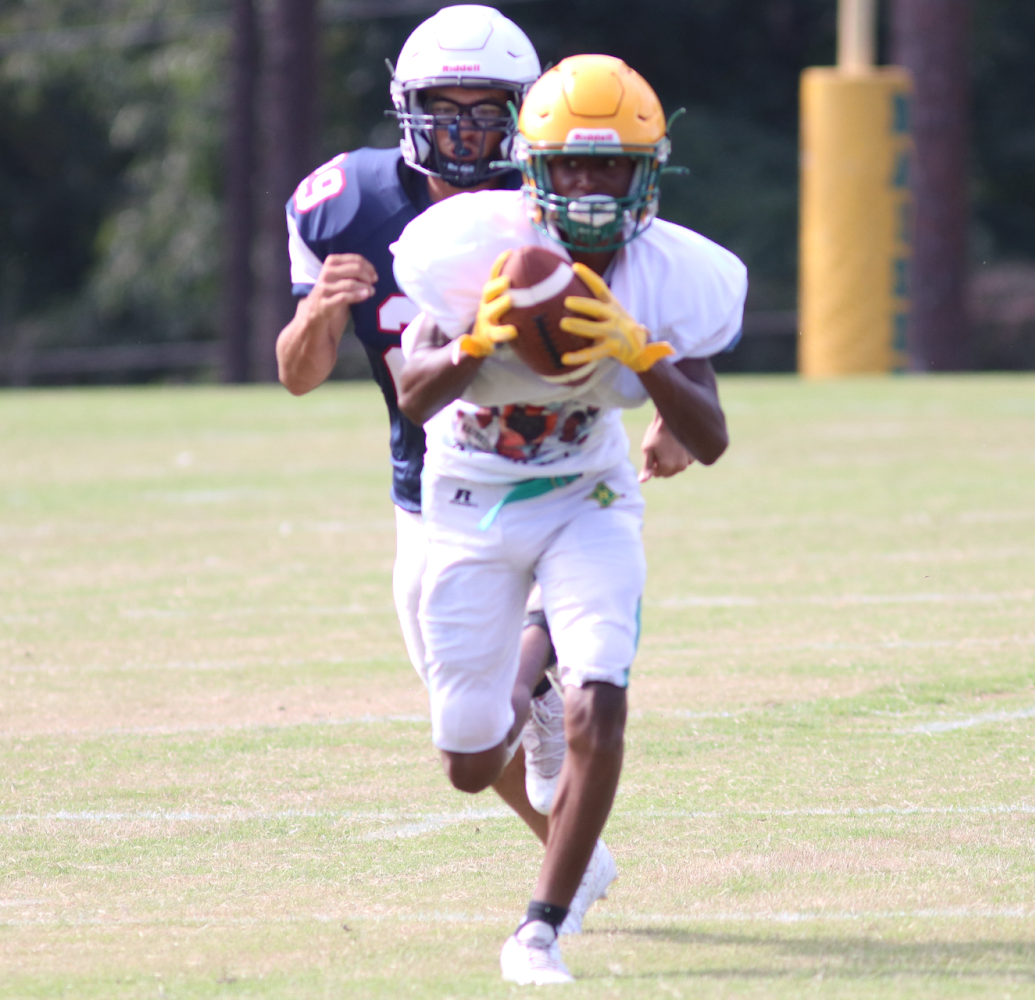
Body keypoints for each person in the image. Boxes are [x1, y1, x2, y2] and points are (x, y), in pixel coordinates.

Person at [273, 6, 692, 931]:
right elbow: (297, 376)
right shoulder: (343, 202)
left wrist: (669, 405)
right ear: (406, 107)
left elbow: (652, 294)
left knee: (536, 678)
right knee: (459, 722)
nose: (464, 129)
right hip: (432, 482)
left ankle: (544, 712)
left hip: (564, 464)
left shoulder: (552, 189)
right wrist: (317, 314)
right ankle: (569, 845)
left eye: (484, 108)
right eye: (444, 108)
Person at [392, 54, 746, 984]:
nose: (590, 186)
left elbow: (710, 437)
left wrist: (646, 356)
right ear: (534, 168)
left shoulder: (675, 274)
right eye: (573, 165)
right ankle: (533, 660)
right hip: (468, 495)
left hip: (587, 493)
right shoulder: (468, 245)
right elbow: (414, 397)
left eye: (611, 166)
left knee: (602, 699)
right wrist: (476, 342)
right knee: (470, 759)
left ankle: (538, 929)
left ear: (647, 173)